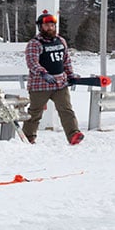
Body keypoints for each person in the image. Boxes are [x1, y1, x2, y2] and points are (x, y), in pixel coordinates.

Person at [22, 11, 83, 145]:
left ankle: (74, 134)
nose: (50, 28)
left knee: (66, 110)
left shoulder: (61, 41)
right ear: (40, 27)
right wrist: (43, 73)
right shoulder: (35, 43)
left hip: (59, 84)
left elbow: (66, 60)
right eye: (47, 26)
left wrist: (70, 75)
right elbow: (32, 62)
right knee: (35, 112)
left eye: (52, 25)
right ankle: (28, 137)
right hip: (40, 85)